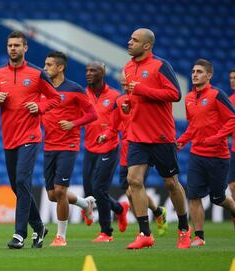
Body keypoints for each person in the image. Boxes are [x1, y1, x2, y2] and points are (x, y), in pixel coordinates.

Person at [0, 31, 61, 249]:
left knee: (21, 181)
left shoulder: (37, 74)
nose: (13, 49)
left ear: (25, 48)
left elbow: (55, 98)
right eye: (10, 45)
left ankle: (19, 234)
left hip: (30, 136)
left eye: (17, 45)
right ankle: (39, 226)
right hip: (9, 138)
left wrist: (40, 107)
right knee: (19, 187)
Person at [123, 28, 190, 249]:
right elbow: (135, 98)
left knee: (171, 183)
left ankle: (183, 228)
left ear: (147, 45)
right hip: (137, 135)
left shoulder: (161, 66)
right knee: (134, 181)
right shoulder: (129, 67)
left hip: (161, 135)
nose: (129, 42)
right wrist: (128, 103)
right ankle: (145, 233)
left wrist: (143, 90)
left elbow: (175, 94)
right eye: (130, 39)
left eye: (135, 40)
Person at [100, 71, 168, 236]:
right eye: (122, 84)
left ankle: (144, 232)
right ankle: (157, 212)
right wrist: (105, 135)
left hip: (143, 149)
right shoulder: (119, 101)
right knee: (130, 194)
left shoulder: (144, 100)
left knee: (133, 190)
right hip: (125, 153)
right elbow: (113, 126)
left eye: (127, 84)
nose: (125, 87)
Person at [176, 59, 235, 246]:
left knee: (218, 198)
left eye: (199, 71)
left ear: (209, 75)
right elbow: (193, 126)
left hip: (218, 156)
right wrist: (182, 141)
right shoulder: (189, 99)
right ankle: (199, 237)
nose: (195, 74)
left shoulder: (217, 95)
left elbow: (232, 119)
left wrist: (217, 137)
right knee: (193, 195)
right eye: (193, 71)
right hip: (196, 155)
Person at [42, 51, 98, 246]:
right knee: (51, 195)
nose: (45, 68)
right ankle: (85, 203)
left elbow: (92, 114)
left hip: (68, 145)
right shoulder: (43, 89)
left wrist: (74, 123)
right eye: (45, 64)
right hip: (48, 145)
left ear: (60, 67)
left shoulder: (75, 89)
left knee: (60, 190)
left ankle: (61, 237)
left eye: (49, 65)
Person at [83, 61, 129, 243]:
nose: (88, 73)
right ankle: (119, 209)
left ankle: (106, 232)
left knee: (99, 188)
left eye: (93, 70)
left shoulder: (115, 96)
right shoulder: (83, 94)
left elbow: (122, 122)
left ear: (102, 73)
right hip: (89, 147)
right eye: (87, 70)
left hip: (109, 147)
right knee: (90, 191)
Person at [228, 68, 235, 203]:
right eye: (231, 78)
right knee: (232, 185)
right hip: (234, 150)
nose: (232, 81)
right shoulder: (229, 101)